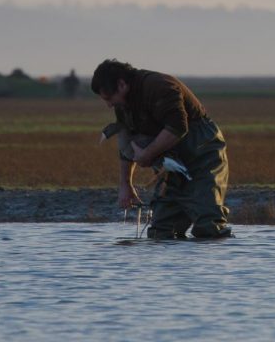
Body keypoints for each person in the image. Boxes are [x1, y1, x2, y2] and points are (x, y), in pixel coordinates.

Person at [91, 59, 232, 239]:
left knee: (209, 227)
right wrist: (126, 185)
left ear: (121, 84)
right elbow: (126, 140)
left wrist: (146, 155)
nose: (109, 105)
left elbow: (178, 128)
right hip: (172, 163)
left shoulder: (160, 87)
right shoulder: (123, 104)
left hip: (202, 152)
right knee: (161, 233)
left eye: (109, 98)